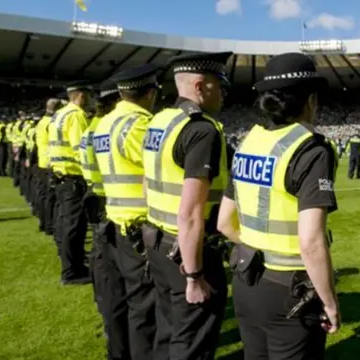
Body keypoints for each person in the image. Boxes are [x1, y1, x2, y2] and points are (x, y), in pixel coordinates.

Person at [217, 52, 341, 360]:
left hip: (247, 279)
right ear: (311, 100)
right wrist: (330, 302)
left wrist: (259, 249)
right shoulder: (311, 149)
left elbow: (224, 223)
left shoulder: (249, 142)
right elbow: (311, 242)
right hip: (291, 289)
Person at [141, 51, 232, 360]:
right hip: (187, 252)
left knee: (167, 332)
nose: (222, 92)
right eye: (218, 85)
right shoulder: (201, 130)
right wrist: (194, 276)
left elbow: (147, 181)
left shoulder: (160, 121)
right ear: (199, 86)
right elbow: (192, 212)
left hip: (156, 241)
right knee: (191, 342)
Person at [94, 64, 161, 360]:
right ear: (149, 93)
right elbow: (157, 174)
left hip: (114, 223)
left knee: (118, 302)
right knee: (144, 309)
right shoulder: (138, 125)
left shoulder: (105, 123)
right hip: (138, 227)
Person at [79, 79, 120, 349]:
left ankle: (107, 317)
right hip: (111, 201)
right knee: (112, 272)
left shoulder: (92, 129)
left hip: (96, 195)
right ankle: (113, 324)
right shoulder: (110, 128)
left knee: (100, 263)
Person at [49, 80, 94, 285]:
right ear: (81, 95)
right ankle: (72, 272)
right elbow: (81, 149)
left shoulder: (60, 114)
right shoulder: (76, 115)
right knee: (74, 226)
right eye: (89, 96)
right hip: (74, 176)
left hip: (60, 175)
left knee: (66, 223)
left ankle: (73, 265)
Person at [33, 98, 63, 235]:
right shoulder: (51, 123)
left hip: (42, 162)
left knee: (44, 195)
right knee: (52, 198)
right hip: (50, 163)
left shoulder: (41, 122)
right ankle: (50, 225)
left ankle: (44, 223)